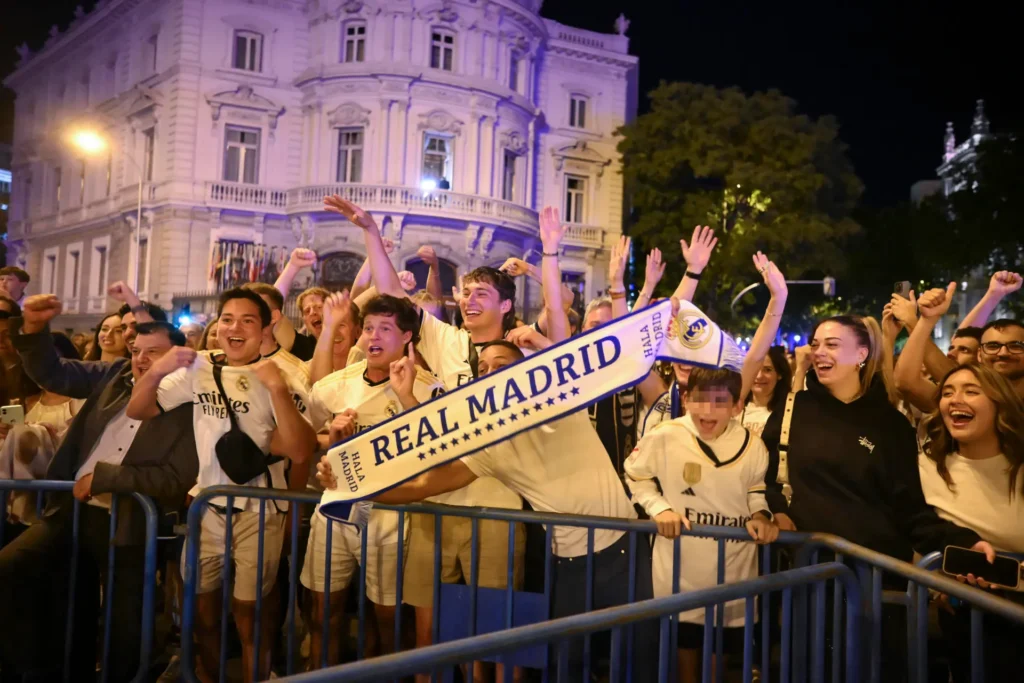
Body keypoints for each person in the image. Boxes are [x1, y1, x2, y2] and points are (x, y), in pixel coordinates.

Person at [324, 195, 528, 670]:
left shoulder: (521, 356)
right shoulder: (449, 342)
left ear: (505, 304)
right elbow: (394, 294)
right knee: (426, 631)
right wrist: (371, 234)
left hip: (495, 503)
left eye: (482, 293)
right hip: (432, 504)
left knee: (493, 629)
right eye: (465, 293)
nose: (470, 300)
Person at [761, 313, 990, 682]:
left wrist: (962, 545)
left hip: (876, 589)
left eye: (832, 344)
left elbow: (911, 510)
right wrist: (773, 510)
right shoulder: (792, 410)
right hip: (808, 583)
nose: (819, 351)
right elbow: (762, 478)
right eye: (816, 343)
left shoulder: (890, 424)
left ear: (862, 353)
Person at [0, 295, 199, 683]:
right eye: (137, 350)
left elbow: (174, 477)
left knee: (123, 624)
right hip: (71, 512)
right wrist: (35, 330)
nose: (141, 360)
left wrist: (105, 478)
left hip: (129, 521)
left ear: (179, 356)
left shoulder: (191, 404)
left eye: (153, 353)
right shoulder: (116, 375)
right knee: (15, 571)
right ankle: (40, 669)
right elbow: (55, 375)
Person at [127, 288, 317, 683]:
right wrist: (159, 369)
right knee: (202, 613)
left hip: (260, 512)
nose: (234, 328)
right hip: (206, 508)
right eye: (227, 319)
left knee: (251, 616)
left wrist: (278, 389)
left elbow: (301, 451)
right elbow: (139, 409)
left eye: (248, 321)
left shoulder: (285, 376)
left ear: (266, 329)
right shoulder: (199, 367)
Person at [302, 294, 444, 667]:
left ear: (407, 337)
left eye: (385, 328)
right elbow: (309, 438)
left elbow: (438, 451)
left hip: (391, 515)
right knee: (322, 613)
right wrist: (331, 440)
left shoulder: (428, 388)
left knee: (389, 622)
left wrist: (406, 396)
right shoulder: (334, 385)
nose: (374, 337)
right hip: (335, 509)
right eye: (368, 328)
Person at [625, 367, 779, 683]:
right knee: (685, 644)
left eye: (720, 401)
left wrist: (762, 516)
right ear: (686, 399)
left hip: (735, 565)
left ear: (738, 406)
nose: (708, 411)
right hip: (681, 565)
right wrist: (660, 509)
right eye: (700, 400)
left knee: (721, 648)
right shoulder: (665, 435)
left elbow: (755, 491)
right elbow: (635, 475)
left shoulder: (753, 445)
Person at [918, 363, 1024, 683]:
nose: (955, 399)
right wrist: (939, 589)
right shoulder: (925, 466)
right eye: (947, 392)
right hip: (965, 615)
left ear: (999, 403)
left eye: (971, 391)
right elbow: (917, 532)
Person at [272, 248, 322, 361]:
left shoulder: (350, 341)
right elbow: (269, 308)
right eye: (307, 311)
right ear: (304, 320)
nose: (313, 312)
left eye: (319, 307)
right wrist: (292, 266)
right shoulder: (302, 347)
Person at [741, 346, 793, 436]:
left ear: (779, 374)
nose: (759, 376)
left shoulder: (788, 411)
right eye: (755, 369)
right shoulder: (735, 410)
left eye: (767, 370)